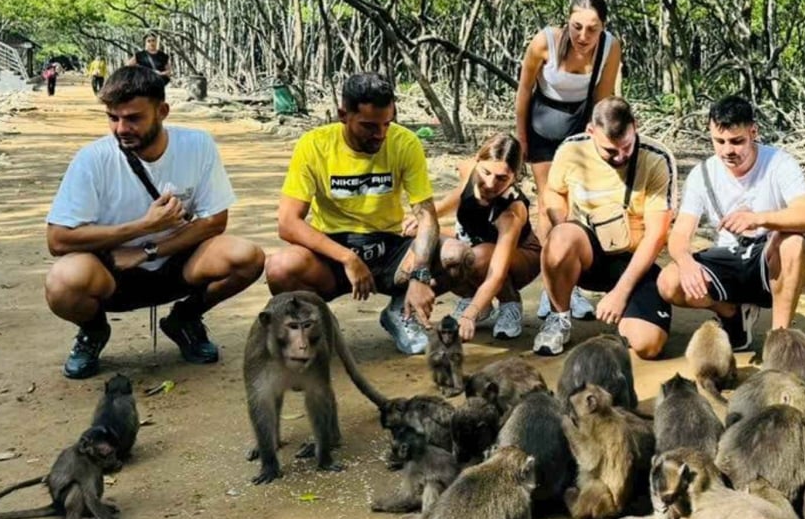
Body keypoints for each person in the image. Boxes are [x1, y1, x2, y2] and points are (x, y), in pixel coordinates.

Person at [42, 66, 265, 379]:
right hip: (111, 271)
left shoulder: (197, 145)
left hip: (175, 261)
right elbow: (57, 240)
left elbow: (215, 221)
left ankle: (186, 318)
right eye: (113, 117)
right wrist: (141, 227)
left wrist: (149, 249)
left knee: (246, 256)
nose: (121, 128)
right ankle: (93, 331)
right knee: (63, 281)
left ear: (162, 111)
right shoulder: (92, 159)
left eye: (133, 118)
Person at [263, 73, 439, 355]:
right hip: (333, 252)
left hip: (390, 246)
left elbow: (427, 215)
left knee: (455, 255)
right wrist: (347, 257)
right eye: (369, 126)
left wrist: (419, 275)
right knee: (280, 268)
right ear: (343, 114)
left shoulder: (405, 143)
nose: (381, 134)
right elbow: (288, 223)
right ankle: (315, 319)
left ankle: (401, 311)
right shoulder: (314, 145)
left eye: (387, 123)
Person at [657, 95, 805, 351]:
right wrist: (686, 262)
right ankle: (732, 315)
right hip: (727, 258)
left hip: (767, 256)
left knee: (793, 241)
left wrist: (758, 219)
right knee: (669, 282)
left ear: (753, 132)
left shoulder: (779, 163)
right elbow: (679, 235)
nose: (727, 151)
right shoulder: (703, 175)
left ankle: (779, 340)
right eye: (719, 141)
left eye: (736, 141)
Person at [531, 97, 675, 359]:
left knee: (648, 345)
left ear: (635, 126)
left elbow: (657, 235)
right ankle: (559, 317)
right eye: (610, 150)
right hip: (589, 253)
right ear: (591, 132)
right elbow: (553, 191)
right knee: (561, 238)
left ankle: (630, 310)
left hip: (635, 258)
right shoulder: (571, 150)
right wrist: (561, 225)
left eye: (627, 147)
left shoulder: (656, 159)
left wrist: (621, 292)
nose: (620, 156)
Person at [515, 0, 623, 322]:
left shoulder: (610, 47)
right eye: (577, 27)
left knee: (578, 201)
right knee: (550, 200)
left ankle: (570, 284)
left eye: (592, 28)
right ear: (567, 21)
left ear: (603, 27)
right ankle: (552, 290)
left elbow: (603, 99)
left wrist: (601, 142)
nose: (583, 36)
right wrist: (522, 141)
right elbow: (524, 90)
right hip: (543, 123)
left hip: (581, 123)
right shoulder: (544, 42)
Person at [435, 134, 541, 342]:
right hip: (473, 243)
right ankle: (471, 297)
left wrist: (469, 315)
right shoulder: (468, 170)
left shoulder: (512, 210)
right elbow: (457, 197)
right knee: (432, 241)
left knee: (478, 257)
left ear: (515, 177)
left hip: (520, 259)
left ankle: (510, 303)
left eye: (502, 178)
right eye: (486, 172)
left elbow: (497, 273)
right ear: (477, 161)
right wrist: (424, 217)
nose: (491, 184)